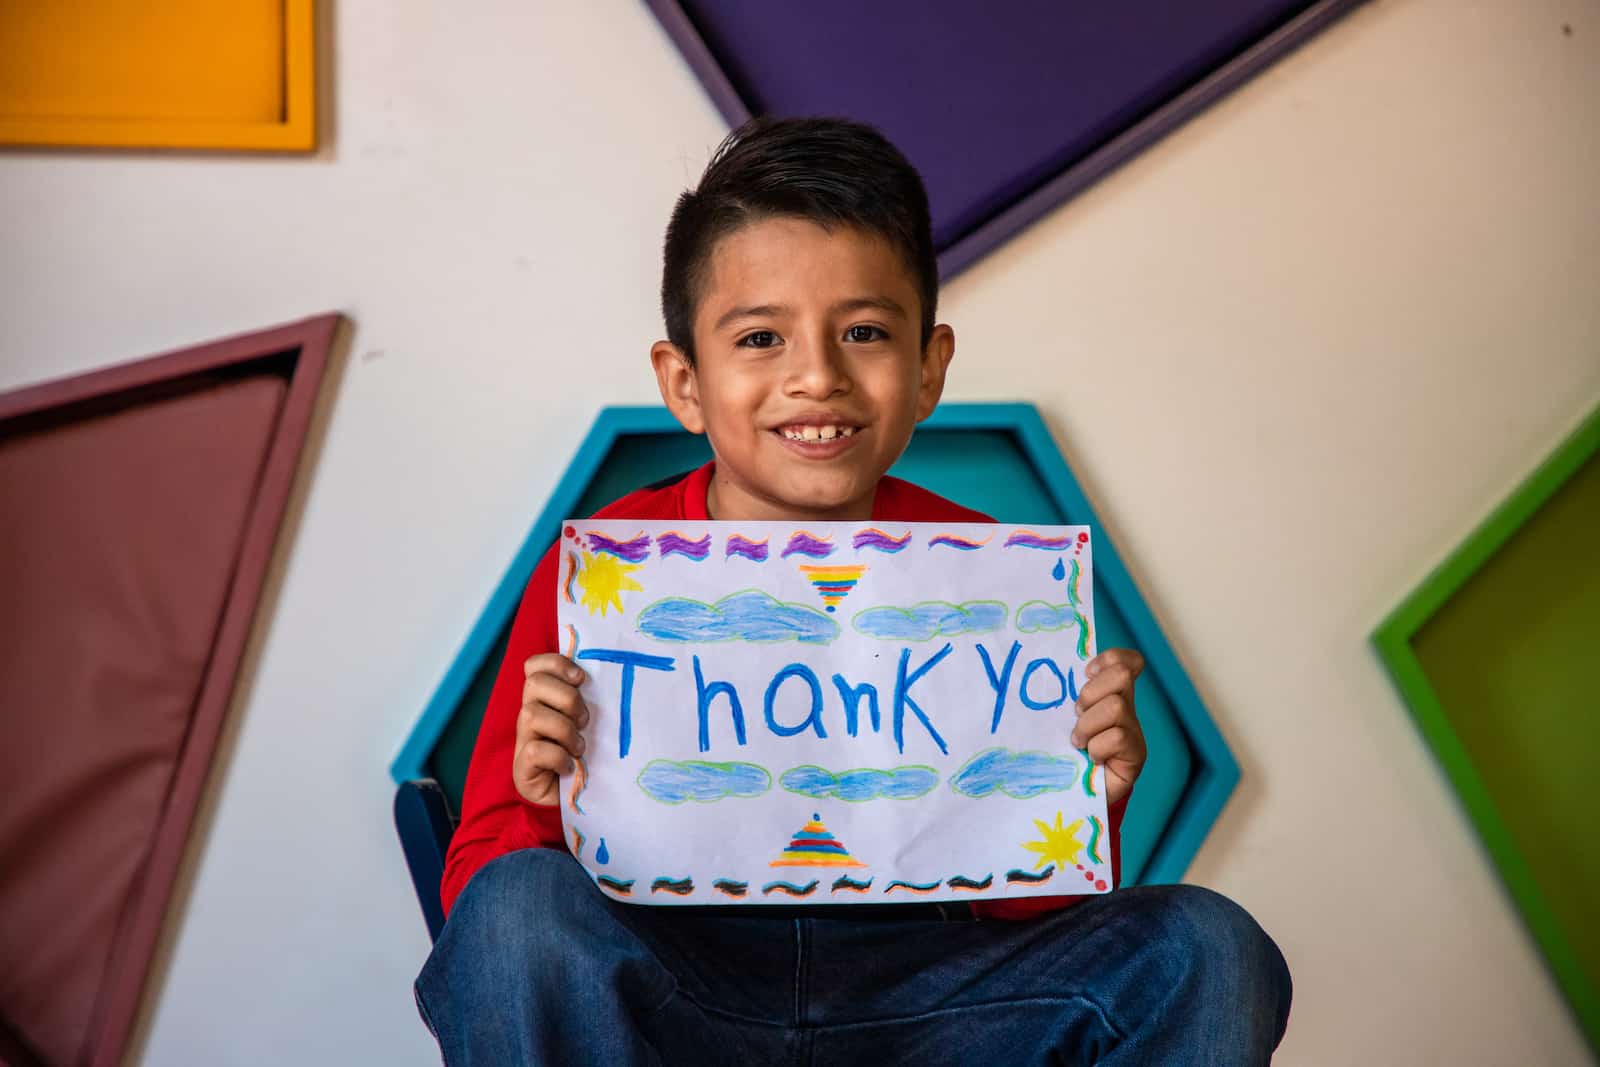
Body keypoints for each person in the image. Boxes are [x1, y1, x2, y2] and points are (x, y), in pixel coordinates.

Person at [415, 116, 1290, 1065]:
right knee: (514, 912)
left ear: (928, 368)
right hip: (681, 991)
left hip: (934, 999)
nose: (817, 376)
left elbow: (1025, 905)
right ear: (684, 382)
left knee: (1206, 945)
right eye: (759, 337)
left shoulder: (991, 575)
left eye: (865, 332)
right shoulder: (609, 567)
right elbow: (485, 911)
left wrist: (1085, 797)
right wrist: (539, 803)